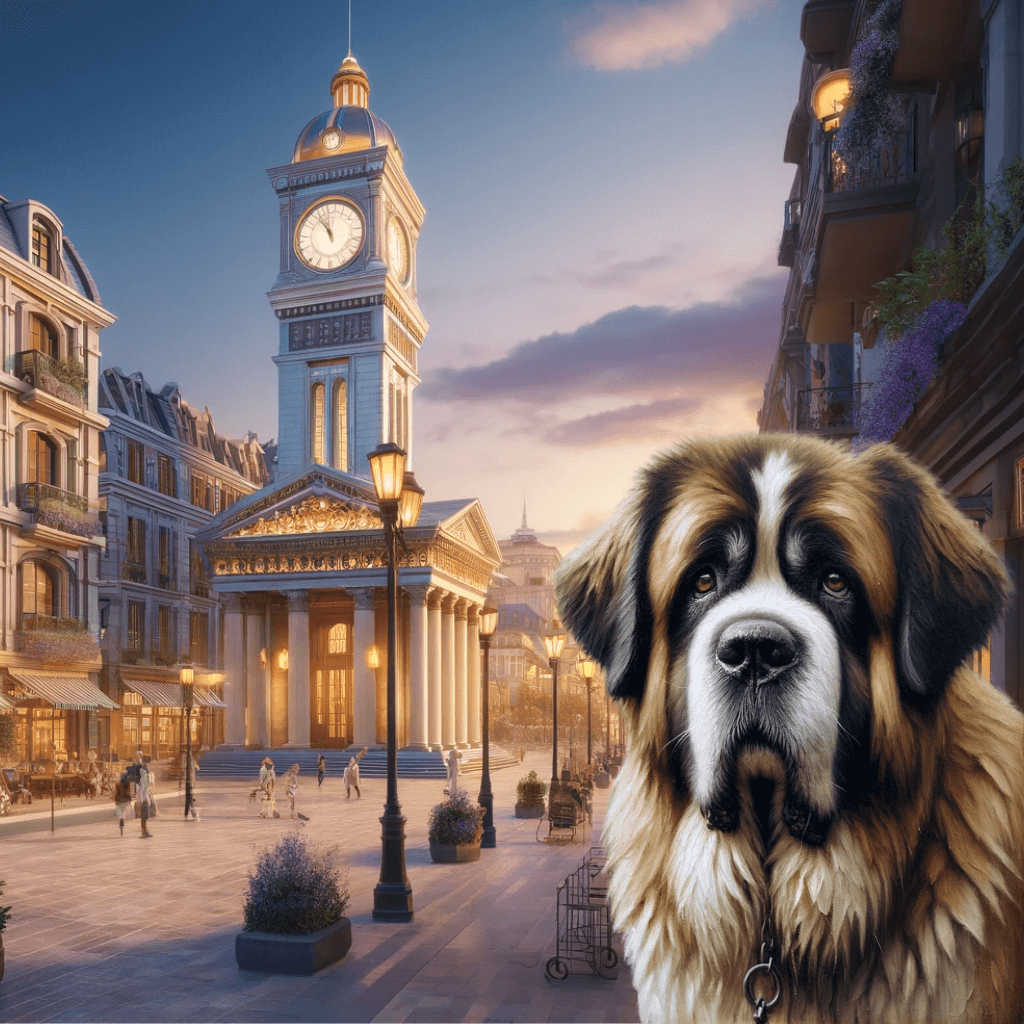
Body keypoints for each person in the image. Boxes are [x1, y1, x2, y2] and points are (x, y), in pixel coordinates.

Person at [112, 771, 132, 836]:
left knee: (120, 812)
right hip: (125, 801)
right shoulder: (127, 783)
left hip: (118, 800)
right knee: (123, 812)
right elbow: (128, 792)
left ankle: (121, 827)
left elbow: (116, 793)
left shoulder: (118, 784)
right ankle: (122, 824)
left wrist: (115, 799)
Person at [138, 757, 153, 838]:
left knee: (145, 816)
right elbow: (143, 786)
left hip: (144, 796)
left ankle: (145, 831)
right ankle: (144, 832)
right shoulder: (143, 772)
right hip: (144, 797)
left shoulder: (142, 771)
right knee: (144, 816)